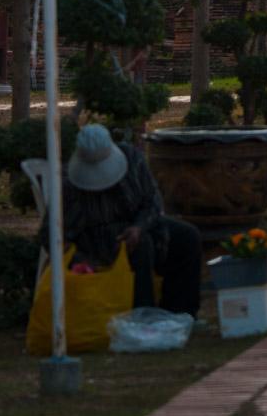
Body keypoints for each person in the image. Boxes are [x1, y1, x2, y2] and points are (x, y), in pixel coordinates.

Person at [60, 122, 201, 316]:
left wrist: (139, 226)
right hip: (98, 241)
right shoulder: (70, 185)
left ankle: (180, 311)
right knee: (141, 246)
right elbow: (55, 234)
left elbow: (152, 200)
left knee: (187, 236)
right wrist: (80, 258)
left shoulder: (132, 159)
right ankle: (144, 315)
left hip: (143, 225)